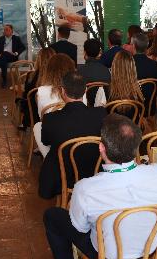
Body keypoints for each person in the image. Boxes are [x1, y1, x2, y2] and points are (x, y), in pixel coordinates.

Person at [43, 114, 157, 259]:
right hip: (149, 249)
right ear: (136, 147)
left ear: (101, 147)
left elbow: (80, 228)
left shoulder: (85, 188)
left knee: (52, 216)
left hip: (106, 255)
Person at [38, 72, 107, 200]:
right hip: (95, 170)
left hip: (64, 175)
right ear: (85, 91)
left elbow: (45, 141)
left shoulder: (50, 119)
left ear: (62, 91)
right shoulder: (101, 114)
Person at [33, 54, 76, 157]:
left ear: (49, 70)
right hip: (77, 136)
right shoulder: (80, 88)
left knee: (38, 126)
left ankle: (50, 157)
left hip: (53, 139)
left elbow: (42, 117)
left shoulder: (41, 91)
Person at [20, 48, 55, 129]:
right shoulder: (56, 78)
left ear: (38, 59)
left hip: (34, 115)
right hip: (54, 114)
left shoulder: (30, 76)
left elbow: (26, 96)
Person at [108, 51, 144, 118]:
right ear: (132, 67)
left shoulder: (107, 89)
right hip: (133, 124)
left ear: (114, 66)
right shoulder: (138, 88)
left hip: (113, 124)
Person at [0, 24, 26, 88]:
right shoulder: (1, 39)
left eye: (7, 30)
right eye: (4, 30)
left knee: (5, 53)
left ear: (11, 31)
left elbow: (23, 47)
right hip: (2, 57)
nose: (5, 31)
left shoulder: (16, 38)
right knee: (4, 56)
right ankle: (4, 80)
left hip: (12, 56)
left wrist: (16, 53)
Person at [131, 33, 157, 113]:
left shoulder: (128, 64)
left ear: (133, 46)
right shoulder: (154, 64)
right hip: (150, 106)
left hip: (133, 107)